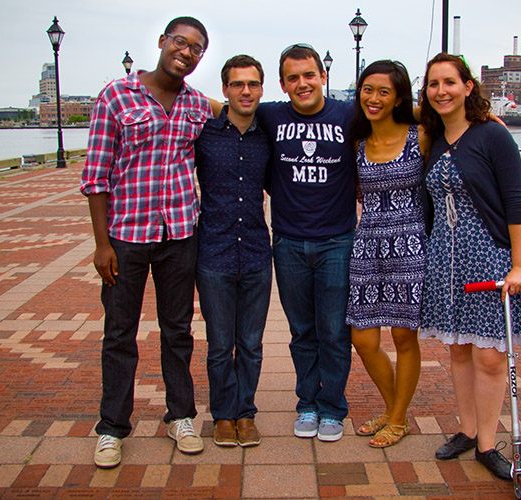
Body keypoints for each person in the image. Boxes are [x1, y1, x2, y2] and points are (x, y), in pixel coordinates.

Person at [80, 16, 224, 467]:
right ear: (162, 42)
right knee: (119, 333)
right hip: (125, 237)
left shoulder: (198, 105)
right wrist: (101, 244)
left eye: (197, 48)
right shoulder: (116, 96)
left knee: (177, 330)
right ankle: (112, 427)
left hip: (180, 234)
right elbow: (96, 175)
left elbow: (244, 112)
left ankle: (180, 416)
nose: (186, 52)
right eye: (180, 42)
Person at [417, 53, 521, 480]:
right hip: (444, 258)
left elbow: (514, 204)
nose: (441, 91)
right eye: (433, 84)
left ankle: (488, 443)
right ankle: (467, 430)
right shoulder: (430, 137)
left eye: (450, 82)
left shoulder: (492, 136)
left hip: (488, 255)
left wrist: (520, 265)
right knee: (459, 350)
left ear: (468, 86)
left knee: (490, 356)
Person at [255, 44, 356, 442]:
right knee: (302, 332)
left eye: (309, 75)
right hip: (289, 242)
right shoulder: (271, 116)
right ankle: (307, 404)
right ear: (282, 84)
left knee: (333, 331)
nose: (302, 83)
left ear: (323, 76)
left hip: (337, 242)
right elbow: (221, 105)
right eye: (293, 77)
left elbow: (401, 115)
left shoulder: (348, 114)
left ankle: (332, 408)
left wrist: (478, 116)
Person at [345, 60, 428, 448]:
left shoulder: (420, 135)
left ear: (399, 97)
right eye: (367, 89)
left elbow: (461, 125)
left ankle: (396, 418)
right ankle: (396, 409)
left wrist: (491, 119)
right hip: (368, 244)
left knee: (403, 337)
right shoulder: (357, 142)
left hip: (410, 244)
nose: (374, 98)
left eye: (384, 91)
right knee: (363, 339)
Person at [194, 55, 271, 448]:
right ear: (224, 89)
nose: (246, 91)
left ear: (262, 88)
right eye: (237, 84)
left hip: (257, 253)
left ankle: (246, 413)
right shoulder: (205, 133)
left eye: (253, 84)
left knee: (252, 345)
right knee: (221, 344)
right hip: (214, 253)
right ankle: (223, 415)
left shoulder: (268, 135)